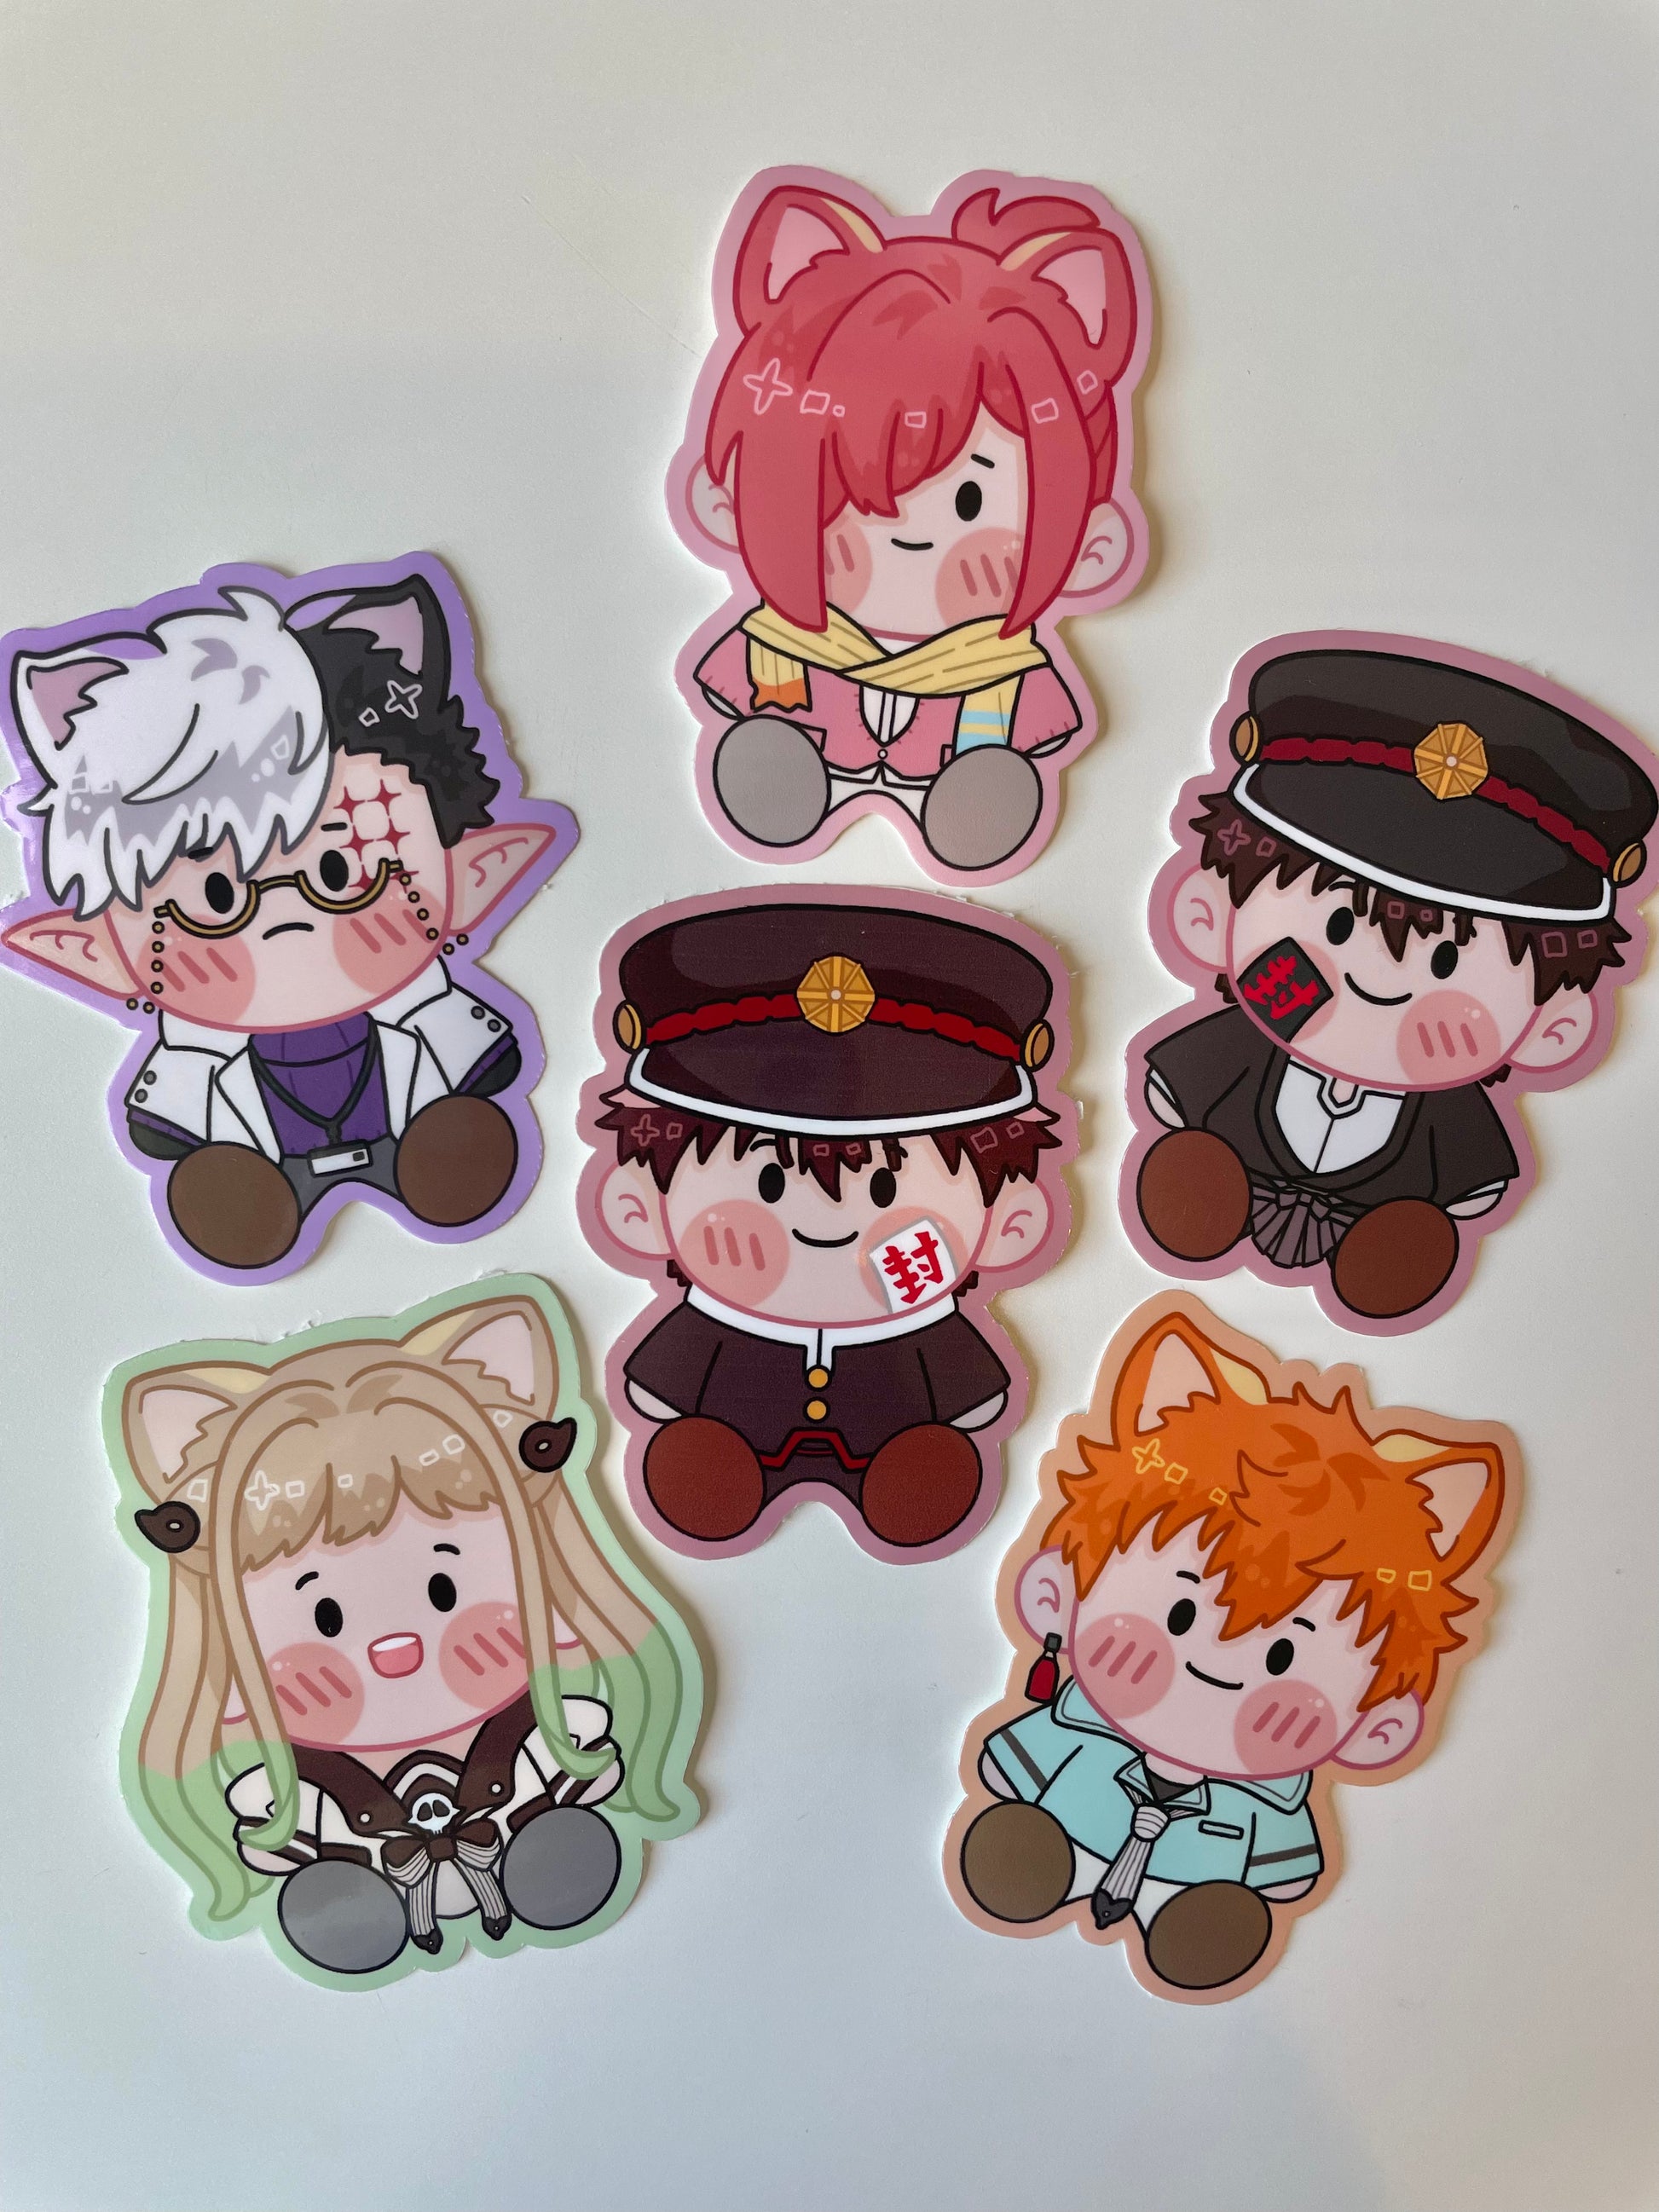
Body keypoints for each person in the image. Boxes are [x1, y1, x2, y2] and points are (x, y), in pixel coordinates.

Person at [117, 1289, 699, 1977]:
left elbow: (592, 1759)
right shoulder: (300, 1788)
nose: (396, 1650)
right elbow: (265, 1831)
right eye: (325, 1618)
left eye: (445, 1591)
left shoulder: (543, 1735)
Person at [3, 565, 569, 1268]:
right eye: (218, 899)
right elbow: (166, 1115)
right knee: (232, 1188)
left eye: (339, 873)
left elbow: (478, 1051)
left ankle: (435, 1157)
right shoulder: (196, 1042)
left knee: (448, 1138)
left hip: (417, 1130)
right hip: (263, 1164)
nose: (281, 922)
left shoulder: (423, 1000)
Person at [957, 1307, 1507, 1994]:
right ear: (1058, 1591)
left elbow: (1285, 1875)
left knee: (1207, 1919)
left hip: (1189, 1896)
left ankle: (1187, 1925)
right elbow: (1007, 1764)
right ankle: (1039, 1860)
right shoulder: (1075, 1728)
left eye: (1282, 1657)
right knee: (1026, 1844)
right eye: (1181, 1613)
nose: (1213, 1669)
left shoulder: (1270, 1804)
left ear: (1376, 1722)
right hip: (1058, 1841)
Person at [1131, 644, 1656, 1318]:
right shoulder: (1233, 1050)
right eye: (1339, 927)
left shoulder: (1452, 1118)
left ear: (1553, 1025)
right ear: (1207, 915)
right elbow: (1177, 1085)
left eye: (1445, 963)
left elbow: (1474, 1182)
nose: (1380, 986)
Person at [674, 170, 1148, 875]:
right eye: (852, 497)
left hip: (964, 780)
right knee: (773, 736)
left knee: (988, 775)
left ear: (1083, 537)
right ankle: (781, 770)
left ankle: (974, 799)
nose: (908, 535)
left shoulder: (1005, 671)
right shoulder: (779, 641)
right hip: (798, 763)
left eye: (970, 503)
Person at [590, 898, 1067, 1551]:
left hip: (896, 1450)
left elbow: (975, 1399)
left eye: (883, 1188)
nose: (827, 1224)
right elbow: (658, 1390)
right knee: (704, 1466)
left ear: (1010, 1218)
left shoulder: (917, 1325)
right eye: (769, 1183)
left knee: (921, 1473)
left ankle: (910, 1480)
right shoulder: (717, 1324)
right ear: (641, 1205)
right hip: (731, 1448)